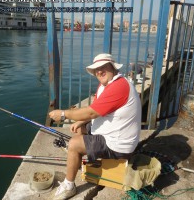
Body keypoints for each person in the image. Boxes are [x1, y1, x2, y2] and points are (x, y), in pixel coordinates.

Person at [49, 53, 142, 200]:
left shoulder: (119, 87)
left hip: (118, 144)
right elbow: (96, 108)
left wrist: (62, 114)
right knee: (78, 128)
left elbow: (91, 113)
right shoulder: (106, 85)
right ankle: (89, 157)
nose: (99, 72)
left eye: (103, 67)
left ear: (113, 67)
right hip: (112, 132)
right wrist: (81, 121)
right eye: (96, 70)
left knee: (73, 144)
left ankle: (69, 186)